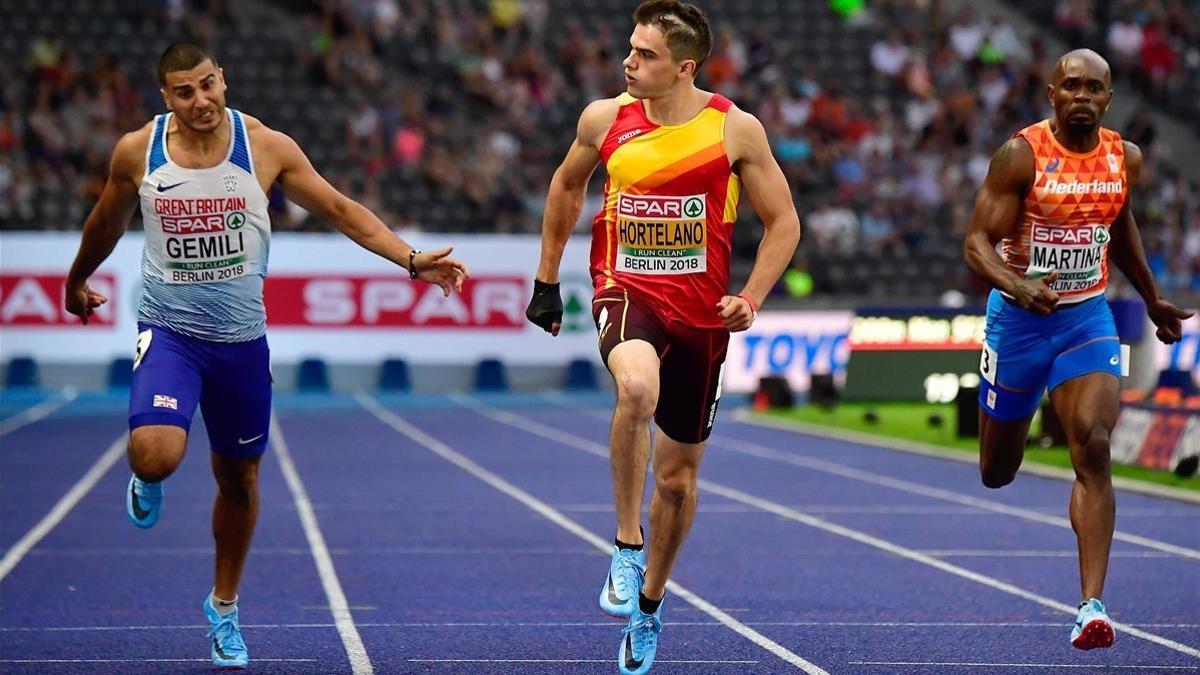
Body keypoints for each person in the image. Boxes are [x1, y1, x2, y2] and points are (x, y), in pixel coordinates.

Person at [64, 43, 468, 669]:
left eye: (207, 85)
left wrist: (412, 261)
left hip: (242, 346)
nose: (200, 101)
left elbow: (339, 209)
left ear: (223, 78)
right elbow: (106, 221)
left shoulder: (265, 147)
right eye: (183, 91)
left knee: (240, 481)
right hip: (171, 334)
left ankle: (223, 606)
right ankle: (145, 477)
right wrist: (75, 281)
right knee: (158, 454)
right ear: (164, 97)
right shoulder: (135, 152)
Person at [524, 3, 800, 672]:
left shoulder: (734, 129)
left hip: (702, 313)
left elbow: (784, 220)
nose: (628, 61)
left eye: (644, 55)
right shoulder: (604, 118)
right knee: (636, 388)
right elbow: (566, 184)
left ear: (684, 67)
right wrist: (546, 279)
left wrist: (751, 297)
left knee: (677, 481)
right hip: (627, 289)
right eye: (629, 48)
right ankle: (624, 544)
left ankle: (649, 604)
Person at [963, 48, 1192, 651]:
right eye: (1072, 86)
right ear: (1053, 93)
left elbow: (1119, 225)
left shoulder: (1126, 158)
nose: (1082, 95)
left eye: (1094, 87)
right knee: (996, 472)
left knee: (1092, 442)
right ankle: (1035, 401)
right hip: (1018, 322)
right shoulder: (1021, 156)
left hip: (1084, 319)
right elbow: (975, 244)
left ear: (1109, 98)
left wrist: (1152, 298)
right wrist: (1017, 284)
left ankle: (1091, 605)